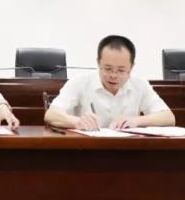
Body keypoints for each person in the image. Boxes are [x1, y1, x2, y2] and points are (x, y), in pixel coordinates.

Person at [44, 35, 174, 130]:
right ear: (98, 62)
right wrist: (76, 122)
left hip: (126, 151)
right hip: (86, 151)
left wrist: (136, 121)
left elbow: (168, 117)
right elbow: (51, 114)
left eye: (121, 70)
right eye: (108, 69)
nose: (113, 75)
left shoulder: (139, 84)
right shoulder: (80, 81)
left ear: (131, 67)